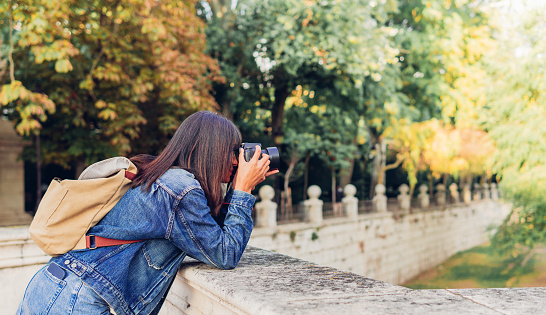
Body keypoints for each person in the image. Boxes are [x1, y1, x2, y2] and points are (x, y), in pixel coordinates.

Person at [17, 111, 278, 314]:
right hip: (74, 301)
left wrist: (237, 188)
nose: (237, 160)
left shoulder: (165, 178)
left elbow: (208, 239)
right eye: (233, 151)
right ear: (211, 151)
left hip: (54, 287)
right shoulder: (181, 190)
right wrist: (243, 190)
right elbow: (225, 253)